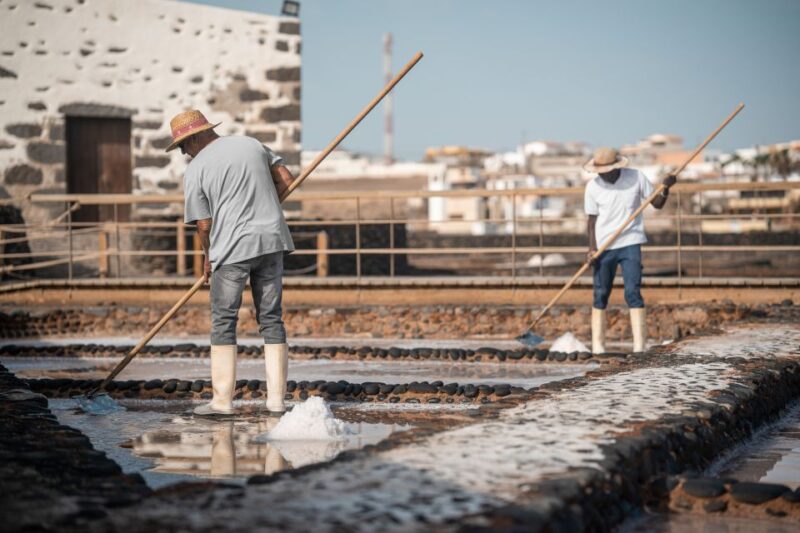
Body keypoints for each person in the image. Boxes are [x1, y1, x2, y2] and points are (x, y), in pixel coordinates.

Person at [166, 109, 295, 416]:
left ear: (194, 137)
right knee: (271, 318)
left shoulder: (196, 169)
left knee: (224, 320)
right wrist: (265, 207)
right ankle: (276, 402)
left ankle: (222, 402)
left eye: (183, 146)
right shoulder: (252, 144)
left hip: (232, 250)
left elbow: (204, 225)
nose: (184, 152)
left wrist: (207, 257)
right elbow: (287, 179)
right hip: (272, 241)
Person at [583, 147, 676, 354]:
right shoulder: (593, 187)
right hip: (604, 246)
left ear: (616, 168)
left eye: (606, 170)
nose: (602, 174)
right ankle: (598, 348)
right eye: (599, 171)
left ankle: (639, 347)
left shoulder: (636, 178)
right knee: (601, 293)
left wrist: (666, 189)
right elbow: (591, 221)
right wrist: (591, 249)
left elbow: (657, 204)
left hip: (630, 242)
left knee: (632, 292)